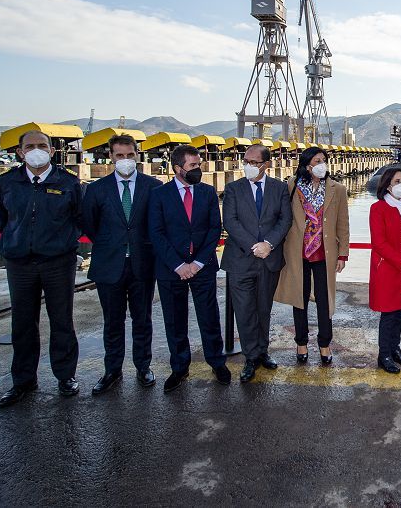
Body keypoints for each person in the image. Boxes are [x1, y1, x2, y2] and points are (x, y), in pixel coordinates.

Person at [0, 130, 83, 407]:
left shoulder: (68, 183)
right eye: (29, 146)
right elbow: (3, 218)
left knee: (62, 321)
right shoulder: (7, 182)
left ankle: (65, 376)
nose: (36, 150)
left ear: (52, 151)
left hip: (57, 262)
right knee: (22, 323)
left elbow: (79, 218)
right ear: (19, 152)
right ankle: (23, 380)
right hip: (20, 263)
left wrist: (61, 244)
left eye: (41, 146)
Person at [81, 133, 163, 394]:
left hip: (142, 264)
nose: (125, 160)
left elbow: (157, 224)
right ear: (111, 156)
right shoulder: (96, 189)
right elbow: (90, 225)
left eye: (130, 155)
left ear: (137, 156)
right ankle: (112, 370)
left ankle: (143, 367)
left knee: (143, 319)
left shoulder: (154, 186)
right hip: (110, 265)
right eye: (119, 155)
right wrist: (112, 244)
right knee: (112, 321)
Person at [147, 144, 229, 391]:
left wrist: (198, 262)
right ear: (177, 168)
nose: (198, 170)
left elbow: (215, 229)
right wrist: (179, 264)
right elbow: (156, 232)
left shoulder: (207, 192)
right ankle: (179, 367)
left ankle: (217, 362)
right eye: (193, 166)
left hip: (202, 267)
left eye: (199, 165)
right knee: (174, 320)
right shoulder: (159, 195)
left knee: (209, 317)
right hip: (171, 270)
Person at [220, 144, 292, 383]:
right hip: (241, 260)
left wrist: (269, 244)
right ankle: (251, 357)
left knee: (263, 308)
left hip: (269, 260)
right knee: (244, 310)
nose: (248, 166)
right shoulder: (233, 189)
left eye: (254, 162)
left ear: (266, 165)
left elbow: (285, 219)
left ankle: (262, 351)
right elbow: (230, 221)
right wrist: (255, 245)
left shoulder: (280, 189)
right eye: (246, 161)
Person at [275, 146, 349, 366]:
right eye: (316, 161)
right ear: (307, 165)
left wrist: (343, 254)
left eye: (323, 160)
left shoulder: (337, 189)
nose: (321, 165)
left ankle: (325, 344)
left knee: (325, 302)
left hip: (325, 254)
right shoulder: (291, 187)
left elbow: (343, 224)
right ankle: (301, 343)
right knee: (300, 300)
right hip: (298, 254)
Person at [368, 166, 401, 374]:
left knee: (400, 311)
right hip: (389, 270)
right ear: (387, 186)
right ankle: (384, 355)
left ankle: (395, 348)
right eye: (396, 182)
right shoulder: (378, 208)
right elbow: (379, 243)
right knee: (389, 314)